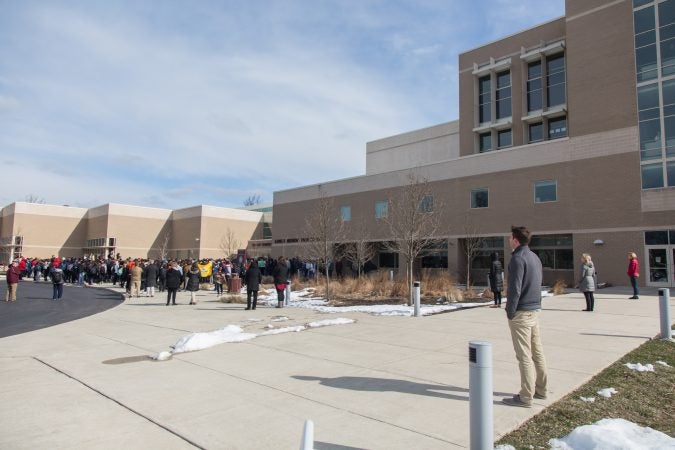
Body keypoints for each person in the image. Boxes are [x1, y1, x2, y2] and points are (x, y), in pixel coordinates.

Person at [503, 226, 548, 408]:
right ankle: (542, 390)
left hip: (521, 312)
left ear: (515, 240)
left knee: (524, 356)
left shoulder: (517, 259)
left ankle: (525, 396)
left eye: (509, 237)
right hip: (534, 310)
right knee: (537, 352)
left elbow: (515, 288)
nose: (508, 240)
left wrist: (510, 311)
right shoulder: (534, 257)